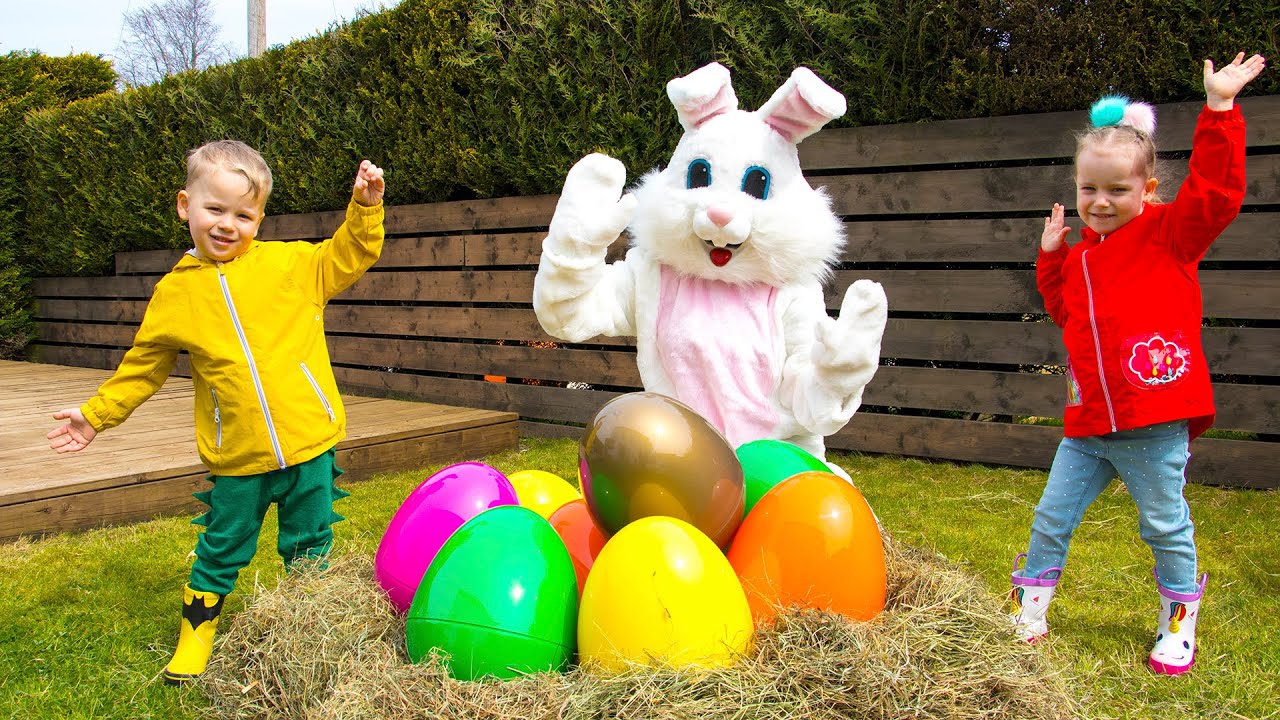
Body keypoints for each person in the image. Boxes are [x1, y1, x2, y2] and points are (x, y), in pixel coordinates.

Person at [46, 140, 386, 685]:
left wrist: (365, 209)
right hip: (238, 458)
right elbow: (143, 366)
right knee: (222, 546)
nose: (228, 224)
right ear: (186, 205)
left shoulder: (291, 265)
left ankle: (312, 625)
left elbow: (348, 254)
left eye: (244, 215)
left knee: (310, 542)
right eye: (215, 209)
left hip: (310, 444)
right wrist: (96, 414)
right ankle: (197, 634)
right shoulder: (174, 295)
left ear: (260, 218)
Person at [1010, 52, 1266, 675]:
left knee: (1164, 525)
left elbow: (1218, 192)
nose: (1100, 202)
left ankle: (1179, 623)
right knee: (1051, 516)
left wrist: (1221, 109)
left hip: (1154, 421)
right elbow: (1066, 314)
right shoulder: (1080, 257)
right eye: (1088, 189)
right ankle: (1027, 610)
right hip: (1089, 423)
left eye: (1117, 189)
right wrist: (1050, 257)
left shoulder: (1170, 235)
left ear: (1148, 190)